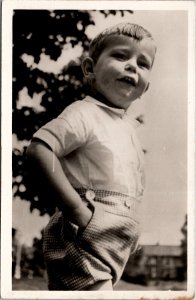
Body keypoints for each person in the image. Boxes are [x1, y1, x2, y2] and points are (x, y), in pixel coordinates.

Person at [27, 22, 156, 291]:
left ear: (145, 87)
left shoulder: (128, 128)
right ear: (89, 69)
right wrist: (76, 210)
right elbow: (40, 147)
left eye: (143, 63)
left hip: (113, 238)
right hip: (84, 232)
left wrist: (131, 225)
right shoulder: (84, 113)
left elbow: (134, 182)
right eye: (120, 56)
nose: (132, 65)